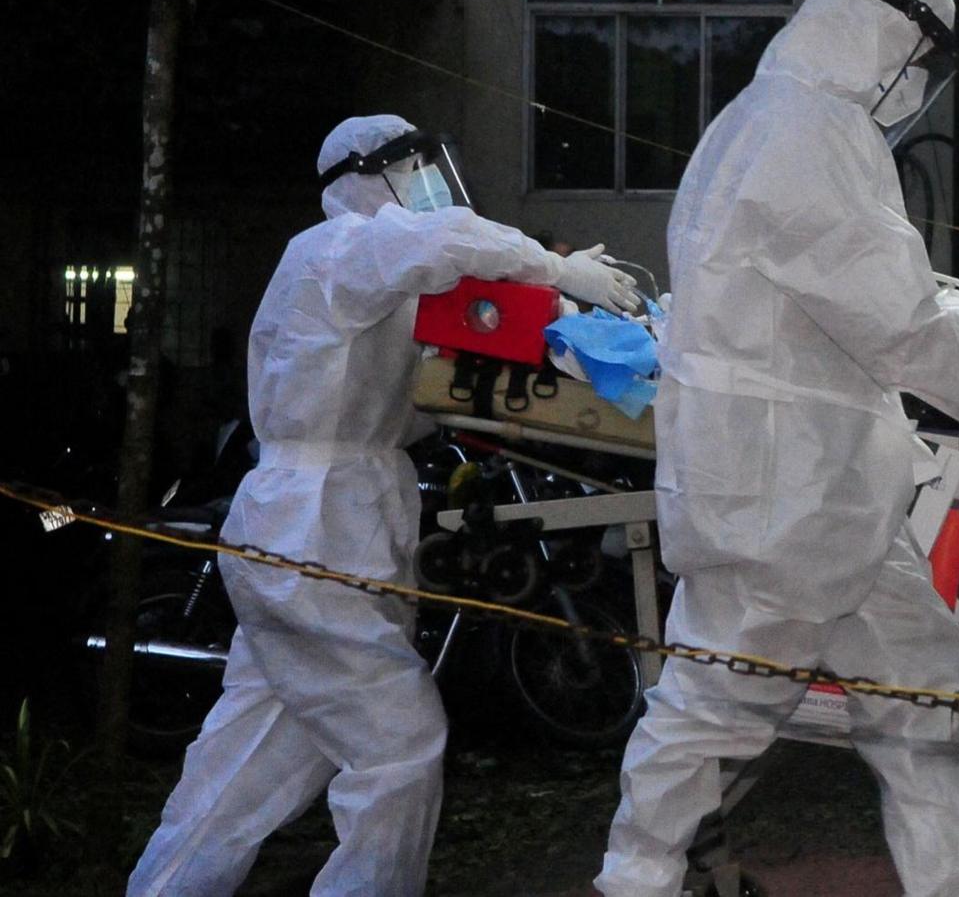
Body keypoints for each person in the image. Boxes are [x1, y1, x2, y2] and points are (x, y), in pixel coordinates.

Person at [592, 0, 959, 897]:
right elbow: (883, 303)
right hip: (782, 490)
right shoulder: (808, 128)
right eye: (918, 64)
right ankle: (633, 879)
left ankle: (953, 879)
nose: (915, 85)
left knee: (914, 678)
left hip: (824, 487)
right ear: (890, 37)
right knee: (718, 698)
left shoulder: (768, 119)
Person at [128, 114, 639, 897]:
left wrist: (563, 322)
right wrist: (552, 268)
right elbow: (447, 242)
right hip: (312, 534)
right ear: (371, 176)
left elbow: (431, 372)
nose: (426, 187)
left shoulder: (378, 279)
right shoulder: (336, 251)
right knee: (400, 747)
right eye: (412, 169)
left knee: (245, 764)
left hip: (330, 528)